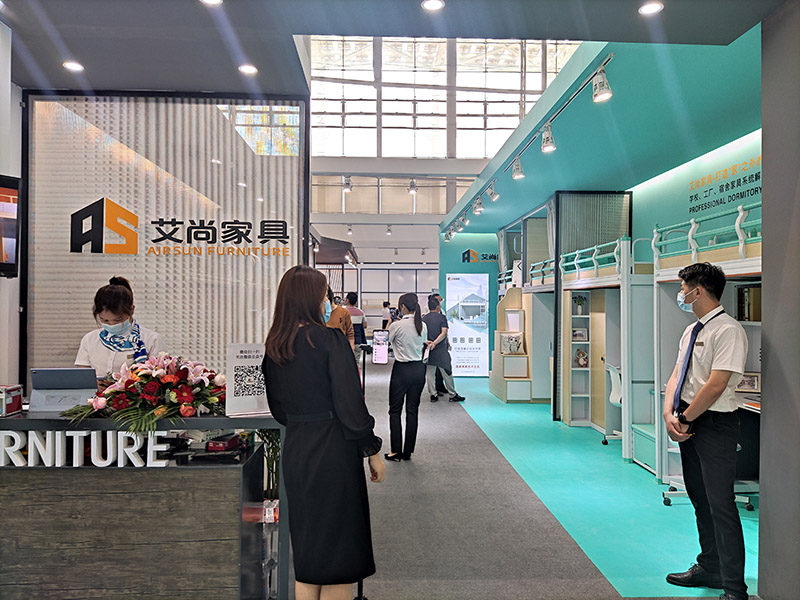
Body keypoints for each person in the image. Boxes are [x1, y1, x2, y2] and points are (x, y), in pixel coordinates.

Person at [262, 266, 385, 600]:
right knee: (339, 560)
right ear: (312, 299)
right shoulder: (329, 340)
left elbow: (278, 410)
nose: (326, 301)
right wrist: (372, 449)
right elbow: (350, 404)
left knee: (310, 556)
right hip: (333, 450)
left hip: (297, 449)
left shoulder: (275, 346)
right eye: (323, 295)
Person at [662, 263, 749, 600]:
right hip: (688, 419)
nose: (681, 294)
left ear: (697, 291)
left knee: (720, 505)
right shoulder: (691, 331)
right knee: (700, 499)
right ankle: (710, 568)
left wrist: (684, 419)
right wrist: (669, 412)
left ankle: (734, 589)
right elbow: (677, 374)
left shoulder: (728, 331)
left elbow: (716, 385)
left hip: (715, 424)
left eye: (684, 289)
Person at [75, 276, 166, 384]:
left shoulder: (152, 340)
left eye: (118, 320)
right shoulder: (89, 339)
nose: (112, 324)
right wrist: (94, 384)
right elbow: (82, 377)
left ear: (132, 310)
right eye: (105, 320)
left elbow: (158, 378)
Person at [385, 293, 427, 462]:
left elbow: (386, 342)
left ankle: (396, 451)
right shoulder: (422, 325)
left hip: (401, 370)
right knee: (412, 411)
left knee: (395, 411)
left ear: (402, 307)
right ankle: (408, 451)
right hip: (419, 369)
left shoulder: (397, 325)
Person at [422, 296, 465, 403]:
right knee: (447, 372)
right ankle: (452, 394)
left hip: (428, 350)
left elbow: (421, 334)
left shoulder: (423, 319)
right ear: (438, 307)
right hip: (440, 349)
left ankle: (433, 395)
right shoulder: (442, 318)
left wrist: (429, 342)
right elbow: (444, 333)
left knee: (430, 373)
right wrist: (435, 343)